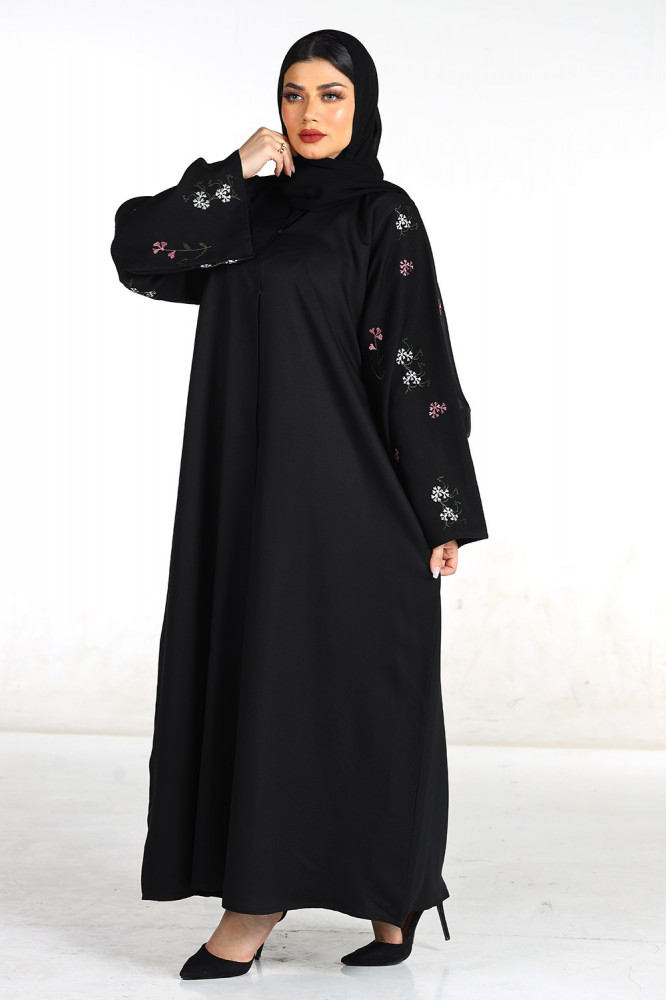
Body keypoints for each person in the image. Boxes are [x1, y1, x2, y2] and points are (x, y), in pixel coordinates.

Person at [110, 27, 488, 980]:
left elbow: (416, 366)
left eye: (331, 95)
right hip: (245, 499)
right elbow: (139, 249)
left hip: (350, 502)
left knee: (358, 694)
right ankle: (271, 889)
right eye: (293, 94)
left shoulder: (382, 217)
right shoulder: (245, 212)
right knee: (260, 682)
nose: (310, 114)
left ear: (362, 106)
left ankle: (380, 892)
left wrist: (440, 509)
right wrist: (231, 171)